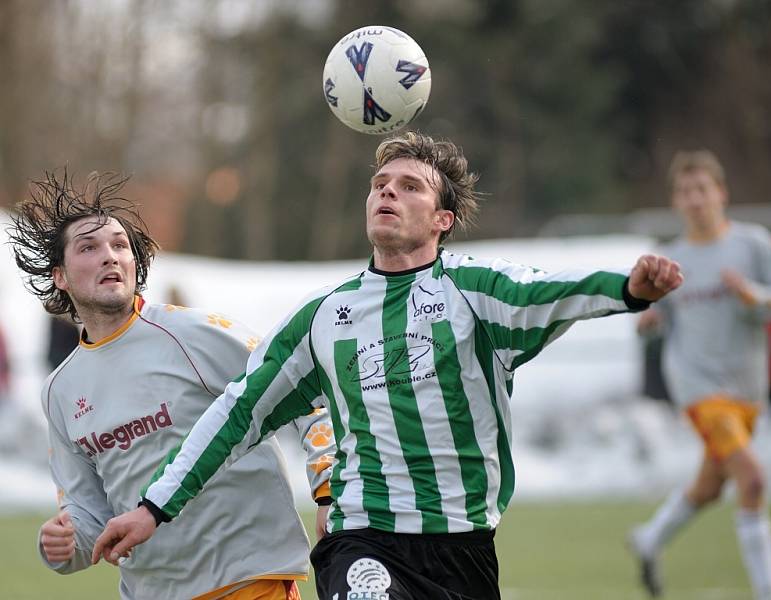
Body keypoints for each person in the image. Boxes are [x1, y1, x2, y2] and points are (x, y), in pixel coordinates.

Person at [92, 132, 683, 600]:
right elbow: (238, 411)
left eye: (408, 186)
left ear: (442, 219)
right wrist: (153, 507)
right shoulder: (326, 317)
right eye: (379, 183)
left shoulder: (476, 294)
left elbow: (552, 292)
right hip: (362, 537)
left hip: (463, 547)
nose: (387, 193)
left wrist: (628, 288)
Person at [8, 169, 335, 600]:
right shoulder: (60, 390)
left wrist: (330, 488)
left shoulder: (194, 333)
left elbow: (306, 392)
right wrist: (64, 545)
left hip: (250, 578)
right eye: (89, 247)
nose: (110, 256)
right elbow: (86, 513)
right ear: (60, 277)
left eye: (120, 245)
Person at [628, 150, 771, 600]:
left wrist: (754, 297)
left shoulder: (754, 244)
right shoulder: (669, 259)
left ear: (721, 193)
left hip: (746, 391)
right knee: (754, 479)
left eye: (702, 189)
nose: (695, 199)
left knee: (709, 486)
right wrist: (649, 323)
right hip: (697, 389)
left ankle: (649, 540)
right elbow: (655, 318)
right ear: (675, 203)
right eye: (685, 192)